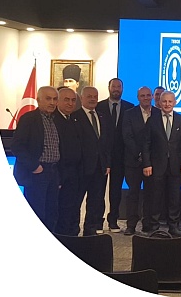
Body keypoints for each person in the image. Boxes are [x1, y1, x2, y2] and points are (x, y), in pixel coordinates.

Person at [11, 86, 62, 232]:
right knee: (37, 212)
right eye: (48, 99)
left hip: (53, 171)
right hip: (37, 172)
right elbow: (17, 146)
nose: (52, 102)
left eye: (55, 99)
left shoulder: (57, 120)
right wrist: (34, 166)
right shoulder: (29, 119)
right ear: (38, 100)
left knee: (52, 212)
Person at [142, 91, 181, 237]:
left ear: (175, 102)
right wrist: (146, 164)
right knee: (155, 198)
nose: (167, 104)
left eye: (170, 101)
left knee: (174, 198)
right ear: (159, 102)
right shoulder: (152, 120)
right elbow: (146, 144)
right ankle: (154, 226)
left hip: (176, 166)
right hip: (157, 166)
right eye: (164, 101)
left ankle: (174, 227)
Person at [73, 86, 113, 235]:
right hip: (82, 167)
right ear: (81, 98)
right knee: (76, 201)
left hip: (100, 167)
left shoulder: (102, 116)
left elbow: (107, 142)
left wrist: (107, 163)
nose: (92, 99)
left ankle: (90, 230)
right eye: (89, 96)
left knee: (95, 201)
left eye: (95, 96)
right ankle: (74, 230)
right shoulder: (75, 117)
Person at [96, 77, 135, 233]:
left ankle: (113, 221)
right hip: (102, 156)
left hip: (120, 156)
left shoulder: (129, 107)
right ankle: (98, 221)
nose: (116, 89)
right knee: (99, 190)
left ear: (122, 89)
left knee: (116, 190)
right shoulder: (98, 107)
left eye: (119, 87)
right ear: (109, 88)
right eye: (114, 86)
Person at [121, 86, 157, 235]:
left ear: (152, 96)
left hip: (153, 163)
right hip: (133, 161)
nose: (146, 98)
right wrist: (141, 154)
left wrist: (149, 158)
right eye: (143, 96)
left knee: (150, 194)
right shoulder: (129, 114)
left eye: (148, 95)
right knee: (133, 194)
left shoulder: (158, 113)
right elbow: (127, 137)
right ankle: (131, 225)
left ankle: (147, 223)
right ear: (138, 98)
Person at [53, 87, 83, 236]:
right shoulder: (53, 120)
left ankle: (72, 237)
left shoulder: (73, 119)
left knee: (73, 207)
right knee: (62, 209)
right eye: (66, 100)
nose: (70, 103)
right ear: (58, 101)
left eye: (73, 100)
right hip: (60, 173)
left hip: (74, 173)